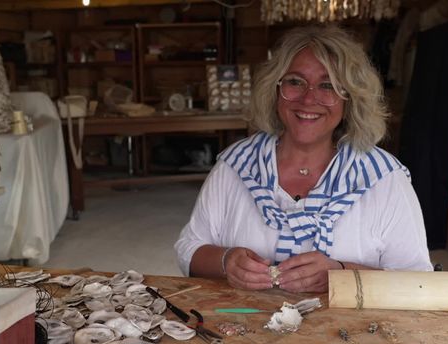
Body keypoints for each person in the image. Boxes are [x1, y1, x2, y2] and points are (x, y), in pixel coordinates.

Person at [175, 24, 432, 293]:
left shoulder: (383, 179)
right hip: (245, 328)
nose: (309, 99)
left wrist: (341, 274)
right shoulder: (236, 165)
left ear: (350, 100)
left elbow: (419, 282)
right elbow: (189, 249)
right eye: (295, 81)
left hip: (352, 333)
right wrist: (226, 262)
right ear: (275, 90)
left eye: (328, 85)